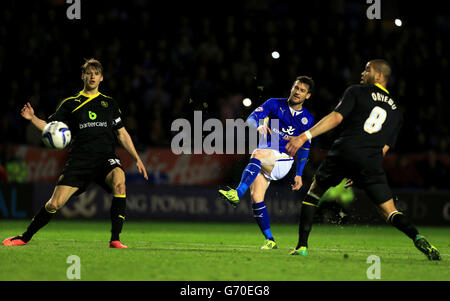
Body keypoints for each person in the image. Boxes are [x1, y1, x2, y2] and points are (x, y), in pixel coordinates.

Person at [285, 59, 441, 260]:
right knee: (390, 211)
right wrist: (360, 170)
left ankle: (302, 246)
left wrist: (304, 136)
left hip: (345, 150)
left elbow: (336, 117)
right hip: (371, 161)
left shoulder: (356, 91)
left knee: (314, 192)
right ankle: (417, 236)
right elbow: (384, 148)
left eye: (367, 69)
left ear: (379, 76)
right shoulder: (396, 111)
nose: (362, 72)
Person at [3, 58, 148, 248]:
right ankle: (25, 236)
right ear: (83, 76)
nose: (92, 76)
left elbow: (121, 133)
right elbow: (50, 127)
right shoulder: (70, 104)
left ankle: (115, 239)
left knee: (120, 183)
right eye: (89, 73)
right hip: (80, 160)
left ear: (102, 78)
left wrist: (136, 158)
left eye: (96, 73)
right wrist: (32, 118)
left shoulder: (109, 104)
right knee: (54, 204)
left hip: (106, 158)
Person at [219, 76, 315, 249]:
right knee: (256, 197)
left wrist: (299, 174)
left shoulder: (307, 119)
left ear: (307, 96)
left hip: (283, 161)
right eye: (296, 88)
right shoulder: (274, 104)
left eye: (302, 90)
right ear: (291, 88)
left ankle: (236, 193)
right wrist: (258, 126)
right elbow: (250, 119)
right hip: (267, 159)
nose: (297, 92)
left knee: (257, 153)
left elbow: (305, 148)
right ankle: (270, 240)